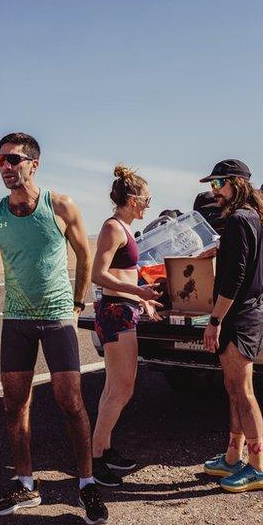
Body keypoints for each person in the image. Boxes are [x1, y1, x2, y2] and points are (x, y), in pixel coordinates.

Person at [0, 132, 107, 525]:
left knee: (70, 402)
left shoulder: (60, 205)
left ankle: (86, 483)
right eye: (0, 161)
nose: (6, 167)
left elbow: (84, 255)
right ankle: (26, 484)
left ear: (33, 164)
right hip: (17, 320)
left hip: (57, 317)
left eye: (13, 160)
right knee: (14, 404)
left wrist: (77, 304)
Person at [197, 159, 263, 493]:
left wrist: (214, 320)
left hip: (238, 316)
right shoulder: (249, 219)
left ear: (236, 184)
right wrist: (219, 248)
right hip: (243, 313)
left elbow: (234, 278)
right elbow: (241, 258)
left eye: (218, 184)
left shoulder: (241, 220)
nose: (213, 192)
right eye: (211, 186)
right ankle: (233, 456)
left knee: (242, 391)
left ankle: (258, 466)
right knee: (233, 387)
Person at [88, 165, 163, 487]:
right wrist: (138, 292)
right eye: (147, 199)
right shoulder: (113, 228)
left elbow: (122, 274)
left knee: (113, 388)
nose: (149, 205)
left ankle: (103, 449)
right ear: (133, 199)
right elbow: (99, 275)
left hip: (125, 308)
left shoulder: (125, 228)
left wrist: (143, 300)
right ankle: (94, 460)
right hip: (116, 311)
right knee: (122, 389)